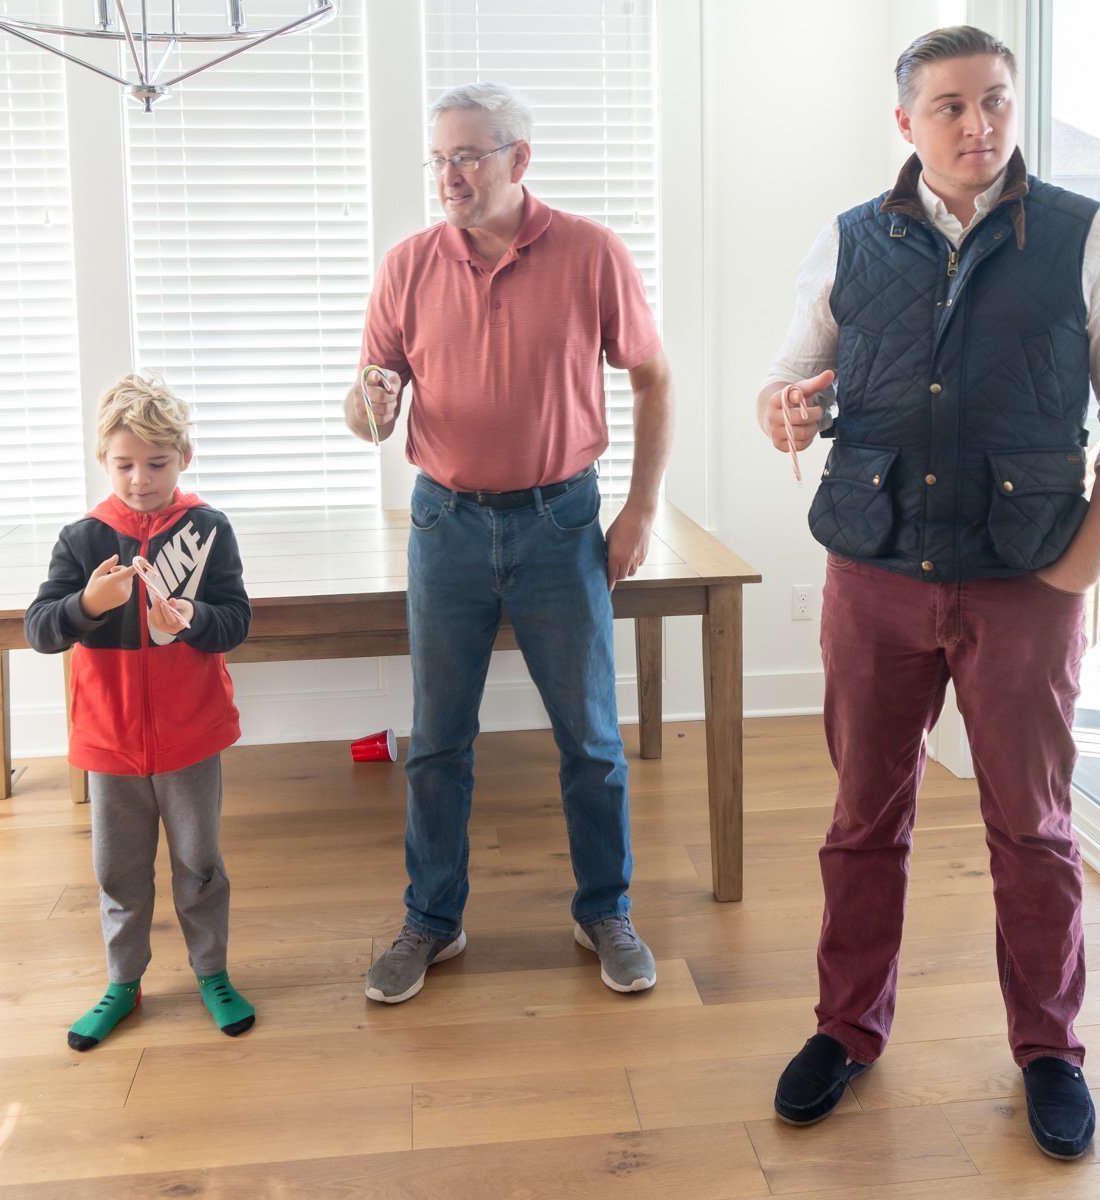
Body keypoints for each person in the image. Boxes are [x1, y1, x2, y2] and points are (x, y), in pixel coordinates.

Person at [757, 26, 1100, 1160]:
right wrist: (783, 408)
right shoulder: (850, 240)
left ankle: (1050, 1050)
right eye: (951, 107)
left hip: (1022, 585)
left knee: (1030, 831)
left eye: (995, 101)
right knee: (861, 821)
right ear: (906, 124)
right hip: (872, 577)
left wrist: (1075, 574)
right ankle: (846, 1028)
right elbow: (791, 378)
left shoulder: (1090, 235)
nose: (978, 125)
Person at [346, 81, 674, 1004]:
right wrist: (367, 408)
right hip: (443, 525)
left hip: (561, 521)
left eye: (469, 156)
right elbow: (366, 403)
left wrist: (640, 510)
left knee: (593, 741)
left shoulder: (590, 252)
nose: (450, 175)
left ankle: (603, 908)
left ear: (518, 159)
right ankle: (432, 922)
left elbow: (654, 380)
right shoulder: (408, 264)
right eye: (440, 157)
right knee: (439, 741)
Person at [25, 372, 256, 1050]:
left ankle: (211, 972)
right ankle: (123, 983)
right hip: (109, 740)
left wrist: (193, 618)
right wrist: (86, 606)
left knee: (200, 862)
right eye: (124, 464)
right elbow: (40, 628)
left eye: (156, 463)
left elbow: (237, 619)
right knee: (117, 870)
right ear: (104, 463)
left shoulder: (208, 528)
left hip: (192, 734)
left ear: (184, 457)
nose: (139, 479)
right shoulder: (83, 538)